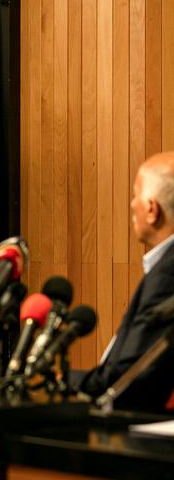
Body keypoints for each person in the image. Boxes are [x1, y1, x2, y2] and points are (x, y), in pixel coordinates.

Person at [73, 151, 174, 411]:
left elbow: (127, 381)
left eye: (135, 193)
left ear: (152, 209)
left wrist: (62, 381)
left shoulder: (167, 276)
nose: (131, 204)